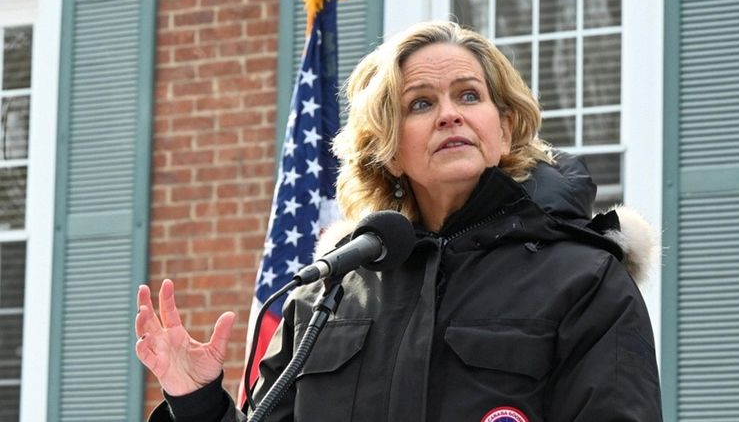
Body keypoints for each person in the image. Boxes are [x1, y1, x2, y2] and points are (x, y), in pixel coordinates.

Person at [136, 21, 663, 421]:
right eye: (420, 103)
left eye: (469, 95)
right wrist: (198, 401)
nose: (450, 114)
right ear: (387, 149)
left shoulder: (585, 279)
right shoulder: (329, 294)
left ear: (503, 131)